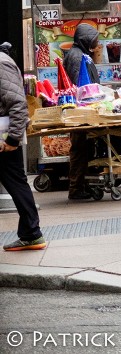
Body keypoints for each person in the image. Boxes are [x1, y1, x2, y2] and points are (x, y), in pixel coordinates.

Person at [1, 42, 47, 252]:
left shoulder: (2, 64)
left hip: (4, 139)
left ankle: (31, 233)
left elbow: (18, 104)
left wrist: (12, 139)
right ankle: (30, 233)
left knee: (17, 183)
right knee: (17, 182)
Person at [63, 23, 101, 200]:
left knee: (82, 147)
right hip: (79, 111)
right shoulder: (77, 56)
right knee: (79, 147)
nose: (97, 43)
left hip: (82, 108)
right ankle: (76, 187)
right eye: (94, 39)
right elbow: (80, 85)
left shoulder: (80, 54)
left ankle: (80, 185)